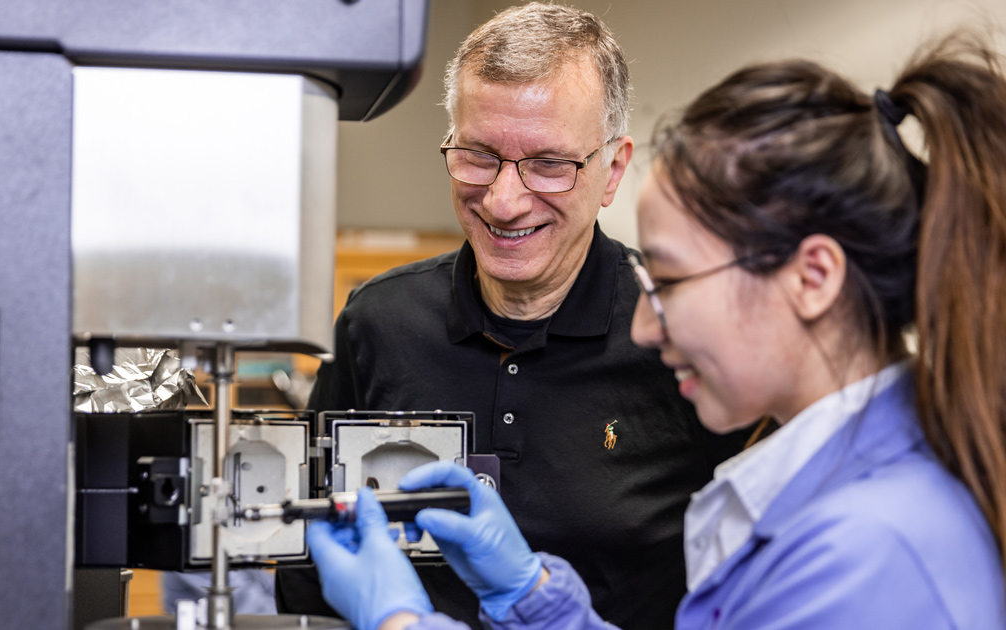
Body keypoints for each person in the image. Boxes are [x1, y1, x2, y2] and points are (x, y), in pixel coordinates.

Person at [304, 30, 1006, 630]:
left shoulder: (866, 551)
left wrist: (401, 624)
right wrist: (532, 600)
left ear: (813, 277)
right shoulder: (841, 503)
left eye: (669, 282)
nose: (643, 324)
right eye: (479, 155)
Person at [275, 3, 749, 629]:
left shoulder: (677, 336)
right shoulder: (380, 322)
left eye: (550, 164)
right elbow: (309, 557)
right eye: (477, 155)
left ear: (612, 170)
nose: (503, 199)